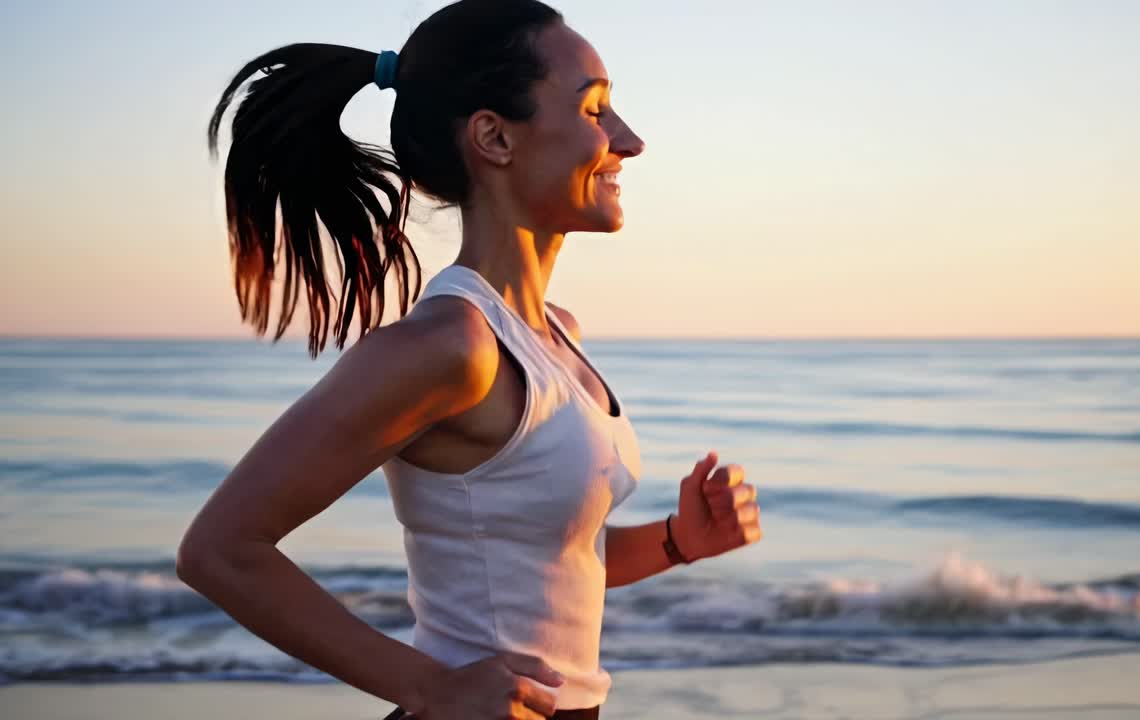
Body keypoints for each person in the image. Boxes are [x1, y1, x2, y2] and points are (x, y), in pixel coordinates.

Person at [176, 1, 764, 718]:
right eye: (594, 109)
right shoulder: (453, 346)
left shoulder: (553, 333)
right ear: (494, 137)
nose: (629, 140)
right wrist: (430, 686)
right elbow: (220, 549)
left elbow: (544, 562)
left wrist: (678, 541)